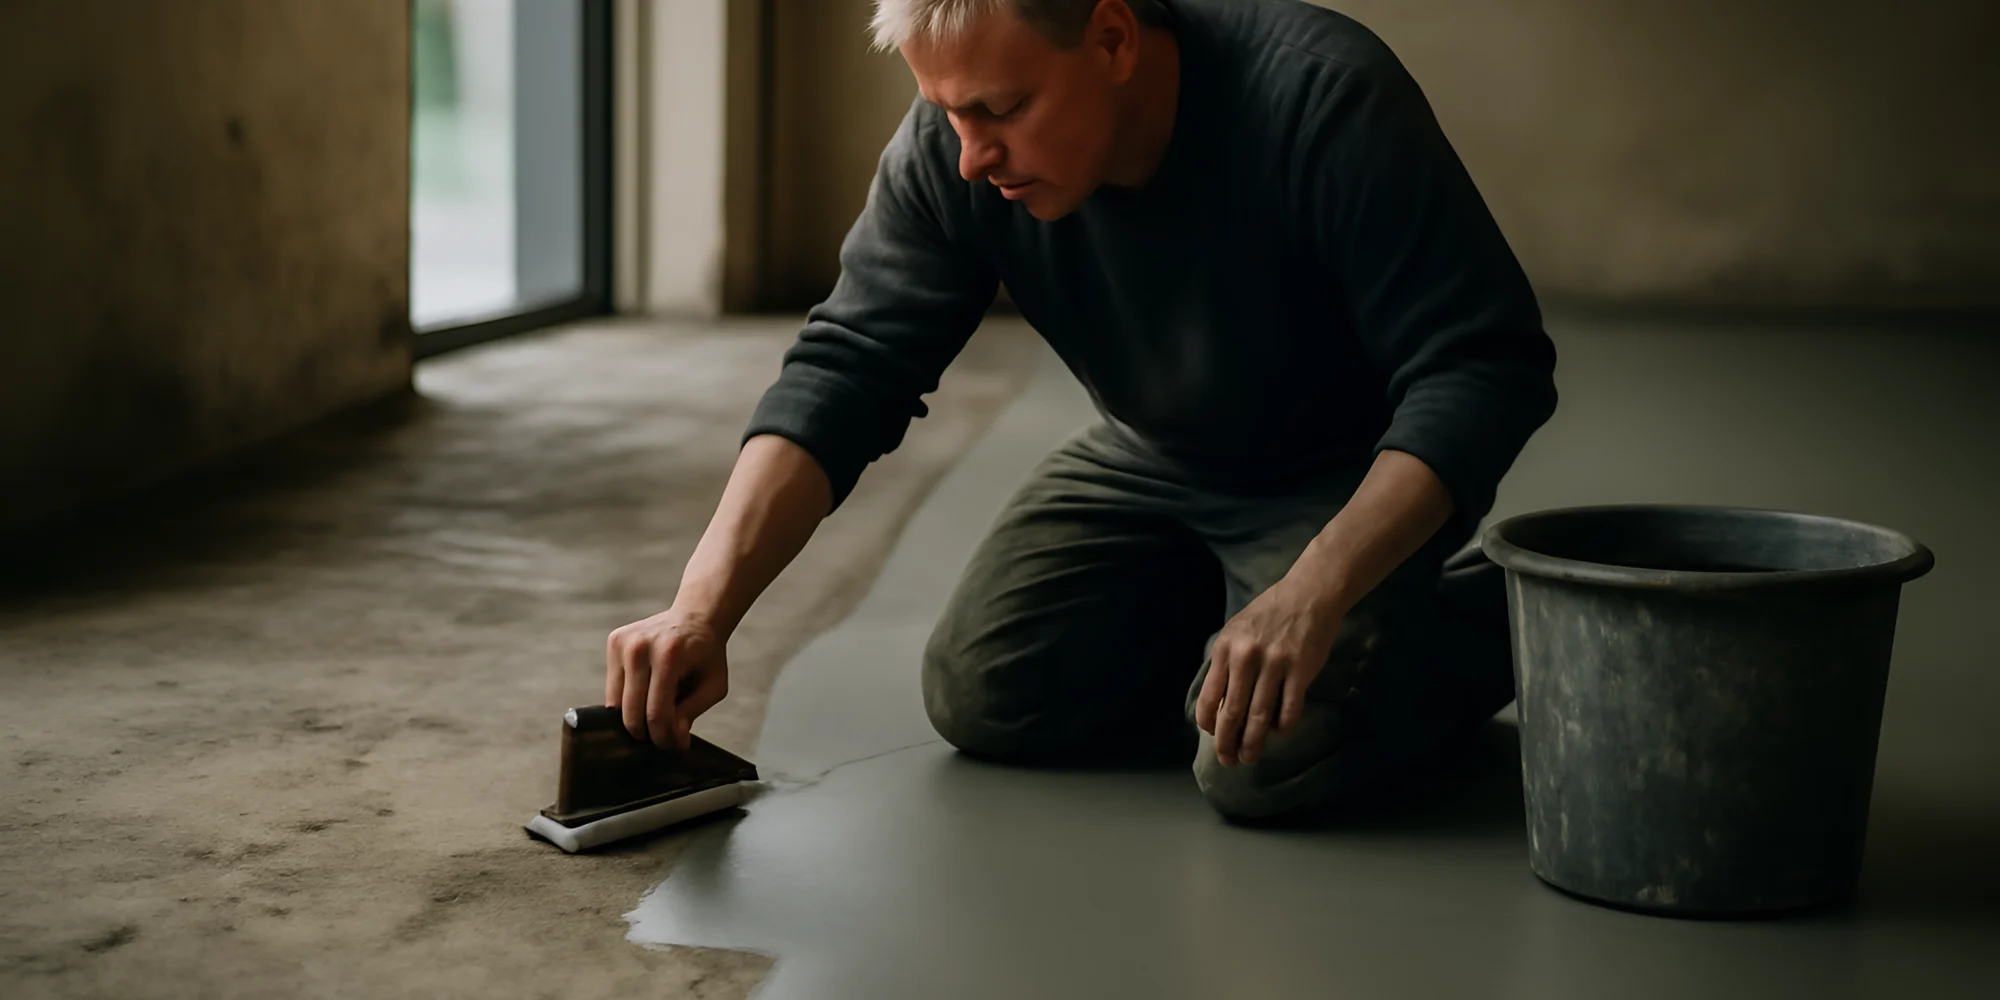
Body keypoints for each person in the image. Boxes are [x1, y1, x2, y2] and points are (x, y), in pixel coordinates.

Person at [605, 0, 1557, 823]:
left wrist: (1314, 592)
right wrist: (701, 610)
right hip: (1152, 454)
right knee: (987, 695)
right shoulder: (953, 149)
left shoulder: (1323, 96)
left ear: (1111, 39)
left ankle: (1499, 616)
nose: (971, 156)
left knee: (1265, 764)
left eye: (1001, 110)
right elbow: (850, 364)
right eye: (946, 111)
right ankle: (1245, 625)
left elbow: (1483, 366)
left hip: (1339, 476)